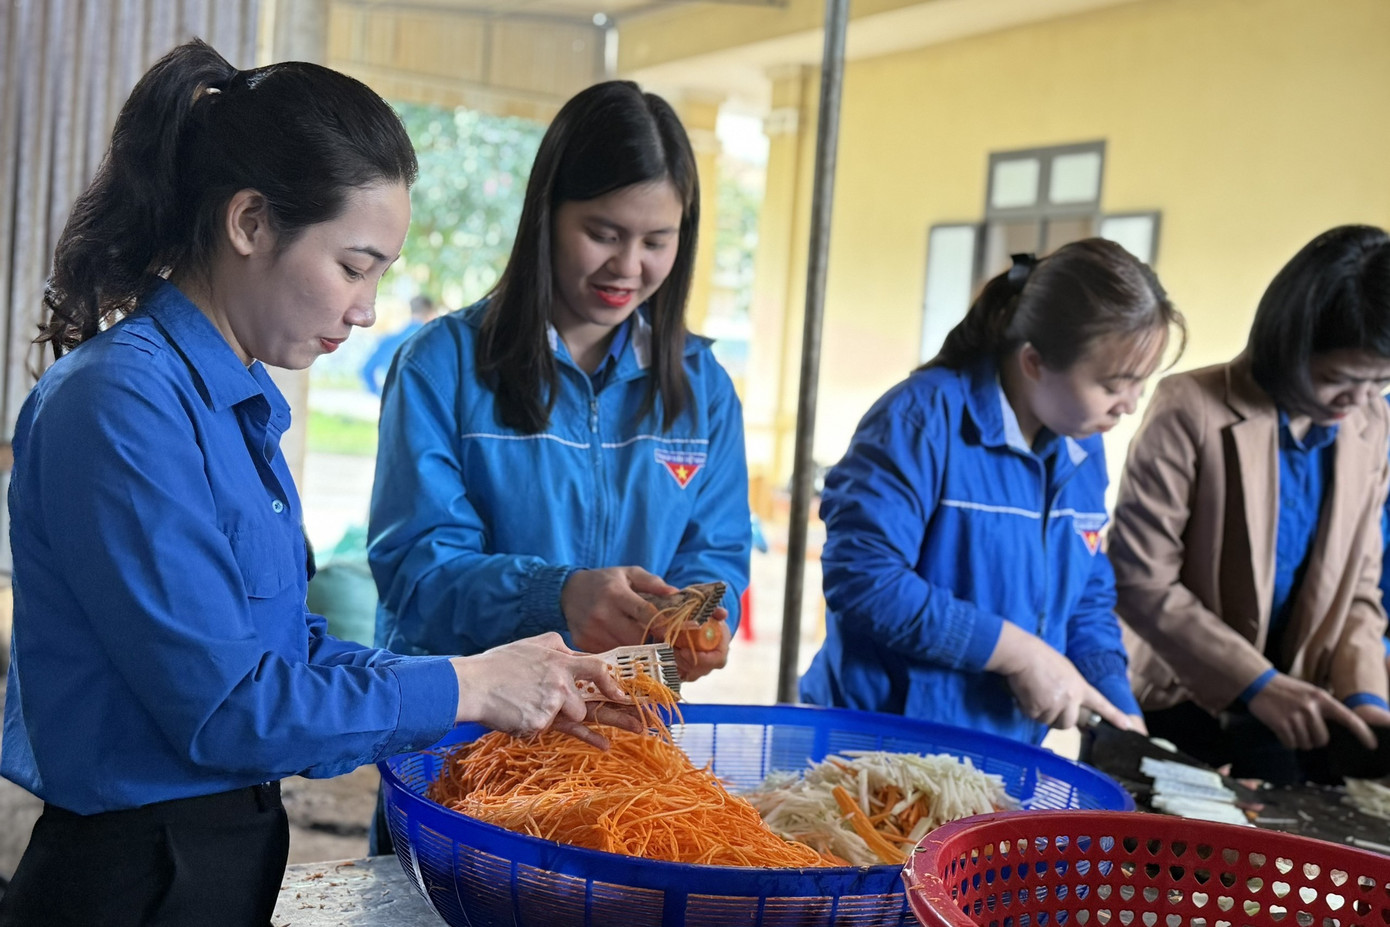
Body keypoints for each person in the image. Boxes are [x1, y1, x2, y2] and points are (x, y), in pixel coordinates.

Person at [0, 40, 638, 927]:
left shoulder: (234, 403)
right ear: (251, 222)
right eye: (353, 264)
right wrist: (467, 684)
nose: (368, 306)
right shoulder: (122, 403)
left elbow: (288, 660)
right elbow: (230, 709)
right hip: (134, 877)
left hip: (223, 852)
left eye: (381, 273)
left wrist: (505, 677)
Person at [367, 80, 750, 683]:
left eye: (656, 241)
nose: (628, 267)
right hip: (466, 729)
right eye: (603, 233)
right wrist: (556, 595)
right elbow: (417, 572)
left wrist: (698, 623)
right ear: (546, 214)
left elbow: (718, 554)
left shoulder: (703, 390)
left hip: (625, 729)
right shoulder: (442, 365)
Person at [799, 239, 1185, 745]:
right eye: (1114, 385)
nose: (1130, 406)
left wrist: (1117, 703)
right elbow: (865, 581)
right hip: (876, 747)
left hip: (1002, 752)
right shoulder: (920, 420)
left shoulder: (1081, 446)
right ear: (1033, 363)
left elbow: (1087, 591)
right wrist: (1020, 653)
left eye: (1141, 383)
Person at [1110, 224, 1390, 786]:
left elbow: (1361, 590)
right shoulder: (1191, 408)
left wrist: (1367, 701)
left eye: (1380, 382)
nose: (1358, 401)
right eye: (1340, 379)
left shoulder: (1371, 424)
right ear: (1291, 343)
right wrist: (1257, 685)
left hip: (1299, 716)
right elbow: (1140, 580)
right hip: (1179, 700)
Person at [360, 292, 438, 395]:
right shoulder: (435, 342)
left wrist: (380, 393)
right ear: (431, 314)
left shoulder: (388, 340)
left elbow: (366, 370)